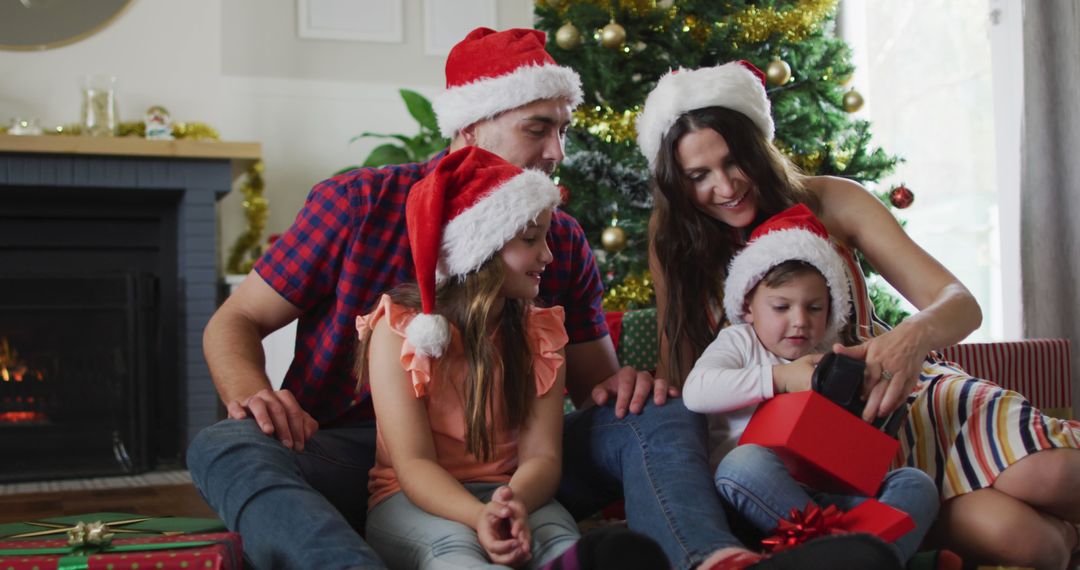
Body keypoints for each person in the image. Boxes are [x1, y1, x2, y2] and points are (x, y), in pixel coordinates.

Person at [187, 28, 869, 570]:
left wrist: (627, 388)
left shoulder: (559, 240)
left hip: (510, 463)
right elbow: (237, 321)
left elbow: (594, 384)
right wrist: (255, 392)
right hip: (356, 455)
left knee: (660, 408)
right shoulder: (358, 204)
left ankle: (708, 559)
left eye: (563, 131)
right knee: (226, 443)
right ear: (469, 128)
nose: (557, 152)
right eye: (537, 128)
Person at [638, 60, 1080, 569]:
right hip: (832, 445)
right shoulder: (673, 240)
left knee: (1047, 476)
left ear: (759, 149)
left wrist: (912, 339)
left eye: (734, 161)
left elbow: (960, 302)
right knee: (1032, 544)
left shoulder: (834, 200)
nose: (726, 185)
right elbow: (681, 372)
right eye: (699, 175)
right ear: (678, 182)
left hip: (910, 392)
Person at [355, 146, 668, 569]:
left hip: (512, 492)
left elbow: (542, 456)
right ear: (479, 250)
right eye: (529, 240)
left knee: (556, 540)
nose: (548, 256)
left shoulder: (540, 333)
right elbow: (413, 465)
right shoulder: (399, 333)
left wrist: (511, 505)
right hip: (414, 499)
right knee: (455, 553)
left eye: (545, 237)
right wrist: (479, 516)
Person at [683, 204, 939, 565]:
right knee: (742, 462)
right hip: (759, 499)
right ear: (748, 307)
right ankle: (863, 557)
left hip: (828, 499)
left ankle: (858, 558)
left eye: (815, 308)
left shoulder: (832, 358)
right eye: (782, 307)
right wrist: (781, 378)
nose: (800, 320)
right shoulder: (739, 341)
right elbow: (697, 391)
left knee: (915, 483)